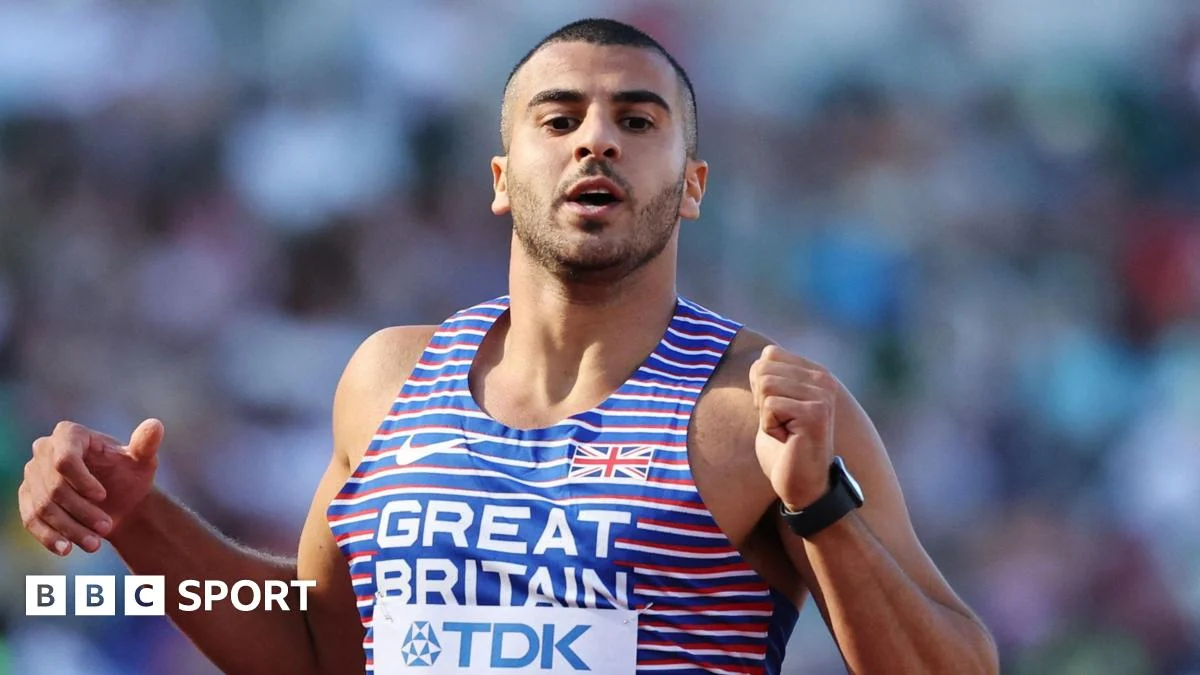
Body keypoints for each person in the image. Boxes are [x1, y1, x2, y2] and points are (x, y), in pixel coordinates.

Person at [17, 17, 999, 675]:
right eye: (559, 117)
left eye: (637, 119)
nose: (595, 141)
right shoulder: (387, 379)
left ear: (693, 184)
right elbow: (316, 651)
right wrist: (139, 522)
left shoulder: (760, 409)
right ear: (500, 175)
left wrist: (821, 506)